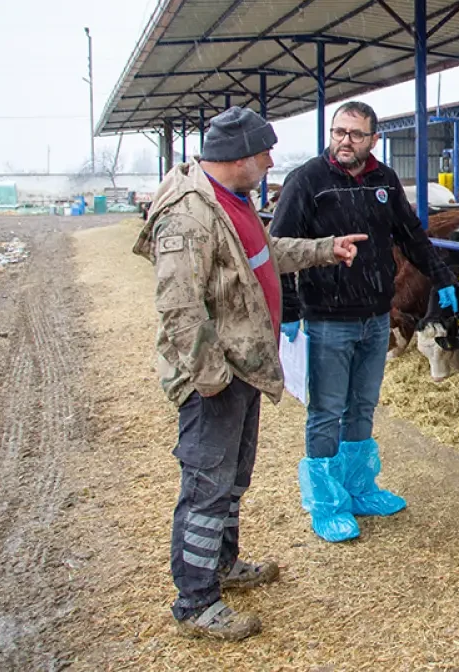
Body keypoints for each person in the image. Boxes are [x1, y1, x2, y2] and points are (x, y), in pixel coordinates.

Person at [134, 107, 367, 641]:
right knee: (206, 486)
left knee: (232, 479)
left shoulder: (231, 202)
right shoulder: (190, 215)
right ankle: (196, 602)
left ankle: (223, 564)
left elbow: (265, 253)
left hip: (244, 367)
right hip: (217, 376)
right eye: (263, 153)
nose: (268, 162)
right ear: (238, 157)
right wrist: (211, 379)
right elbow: (178, 307)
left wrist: (324, 250)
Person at [270, 101, 457, 542]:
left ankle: (359, 488)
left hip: (375, 316)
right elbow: (279, 247)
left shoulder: (384, 180)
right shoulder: (308, 181)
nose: (345, 141)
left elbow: (410, 235)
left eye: (355, 134)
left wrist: (442, 275)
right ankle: (326, 503)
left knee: (362, 405)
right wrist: (291, 309)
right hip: (327, 319)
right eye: (339, 132)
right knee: (326, 411)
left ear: (374, 139)